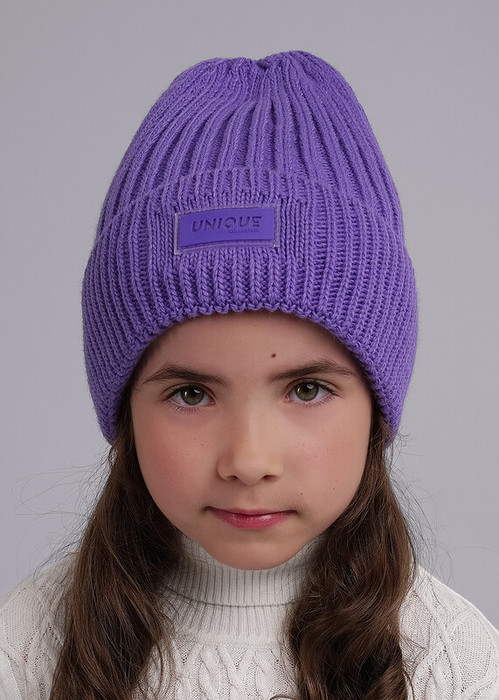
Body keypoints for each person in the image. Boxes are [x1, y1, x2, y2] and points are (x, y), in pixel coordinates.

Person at [0, 50, 498, 700]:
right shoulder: (31, 646)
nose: (248, 461)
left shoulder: (447, 660)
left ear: (377, 409)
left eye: (306, 389)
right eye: (191, 393)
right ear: (124, 411)